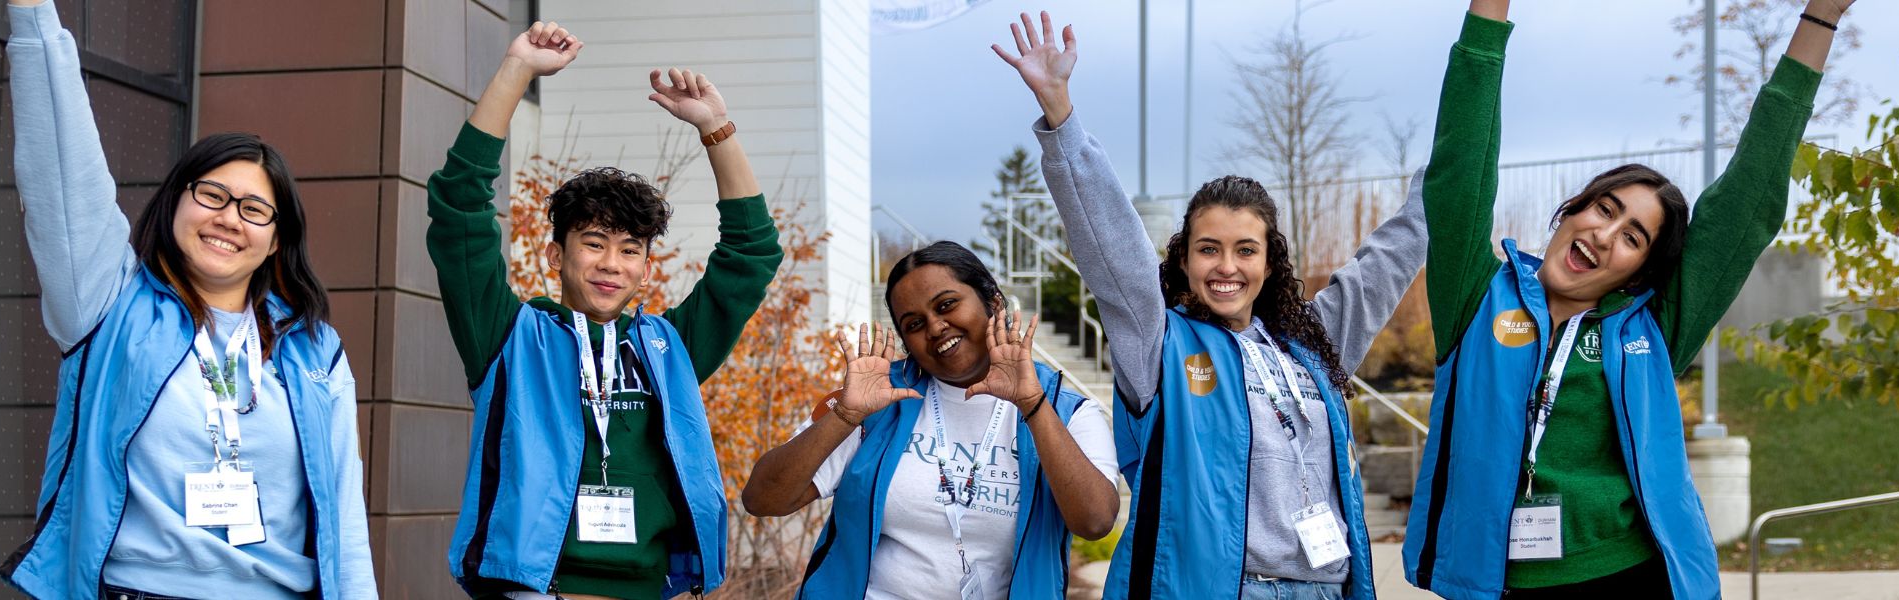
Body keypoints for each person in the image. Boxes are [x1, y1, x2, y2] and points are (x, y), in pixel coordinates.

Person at [1400, 1, 1853, 598]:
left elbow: (1750, 195)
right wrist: (1490, 13)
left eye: (1633, 237)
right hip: (1495, 580)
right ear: (1575, 209)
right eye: (1604, 209)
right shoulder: (1476, 296)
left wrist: (1820, 17)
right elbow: (1461, 166)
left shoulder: (1649, 329)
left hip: (1627, 576)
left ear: (1639, 271)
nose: (1605, 235)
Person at [993, 11, 1431, 600]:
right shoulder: (1160, 344)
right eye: (1209, 249)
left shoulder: (1310, 344)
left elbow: (1388, 260)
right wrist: (1061, 116)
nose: (1227, 266)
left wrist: (1455, 161)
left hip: (1327, 588)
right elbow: (1113, 252)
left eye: (1245, 250)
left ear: (1269, 262)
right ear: (1184, 260)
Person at [0, 1, 375, 598]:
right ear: (175, 200)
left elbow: (346, 523)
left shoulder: (313, 349)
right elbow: (62, 176)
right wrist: (33, 16)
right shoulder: (108, 305)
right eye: (212, 194)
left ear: (278, 241)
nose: (229, 219)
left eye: (254, 209)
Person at [430, 21, 784, 600]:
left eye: (630, 250)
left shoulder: (668, 349)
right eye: (594, 242)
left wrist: (716, 129)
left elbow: (751, 255)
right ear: (556, 254)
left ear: (646, 266)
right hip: (536, 589)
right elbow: (459, 214)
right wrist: (517, 69)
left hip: (653, 589)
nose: (611, 264)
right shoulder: (511, 337)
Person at [745, 242, 1121, 599]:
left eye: (947, 305)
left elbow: (1095, 521)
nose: (936, 327)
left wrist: (1032, 405)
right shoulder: (877, 401)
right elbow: (763, 499)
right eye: (914, 324)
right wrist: (845, 414)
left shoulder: (1065, 411)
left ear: (992, 301)